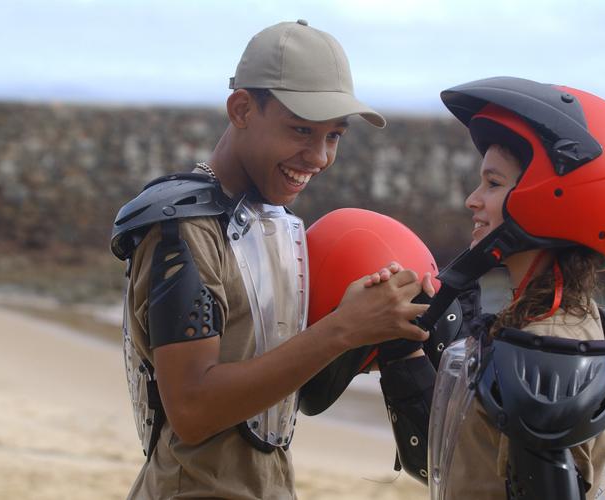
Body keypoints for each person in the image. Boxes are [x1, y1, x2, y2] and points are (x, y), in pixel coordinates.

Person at [109, 20, 432, 500]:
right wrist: (342, 328)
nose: (318, 156)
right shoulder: (183, 228)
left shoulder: (276, 225)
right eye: (301, 129)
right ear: (241, 109)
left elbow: (301, 396)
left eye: (334, 136)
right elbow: (193, 410)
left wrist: (374, 330)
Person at [366, 77, 605, 499]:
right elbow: (455, 460)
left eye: (493, 183)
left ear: (551, 199)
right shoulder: (561, 325)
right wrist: (410, 354)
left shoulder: (544, 353)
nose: (473, 199)